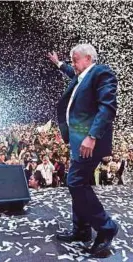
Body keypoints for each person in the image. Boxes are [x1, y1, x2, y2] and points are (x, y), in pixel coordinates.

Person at [48, 43, 118, 256]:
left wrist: (92, 136)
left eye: (75, 59)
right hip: (80, 140)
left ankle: (106, 228)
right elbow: (72, 71)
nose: (73, 64)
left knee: (75, 181)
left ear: (88, 58)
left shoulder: (101, 72)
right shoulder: (82, 75)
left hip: (90, 141)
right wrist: (59, 63)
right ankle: (81, 229)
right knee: (79, 181)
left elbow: (108, 106)